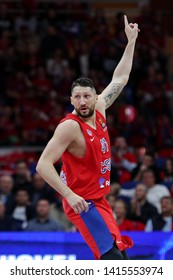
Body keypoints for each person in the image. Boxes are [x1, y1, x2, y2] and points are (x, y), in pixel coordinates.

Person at [36, 15, 139, 260]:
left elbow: (120, 79)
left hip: (99, 199)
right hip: (82, 203)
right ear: (71, 100)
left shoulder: (101, 109)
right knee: (113, 260)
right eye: (77, 97)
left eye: (87, 96)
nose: (82, 101)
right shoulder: (69, 127)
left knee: (120, 257)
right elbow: (43, 165)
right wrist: (69, 195)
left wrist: (131, 41)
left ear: (95, 97)